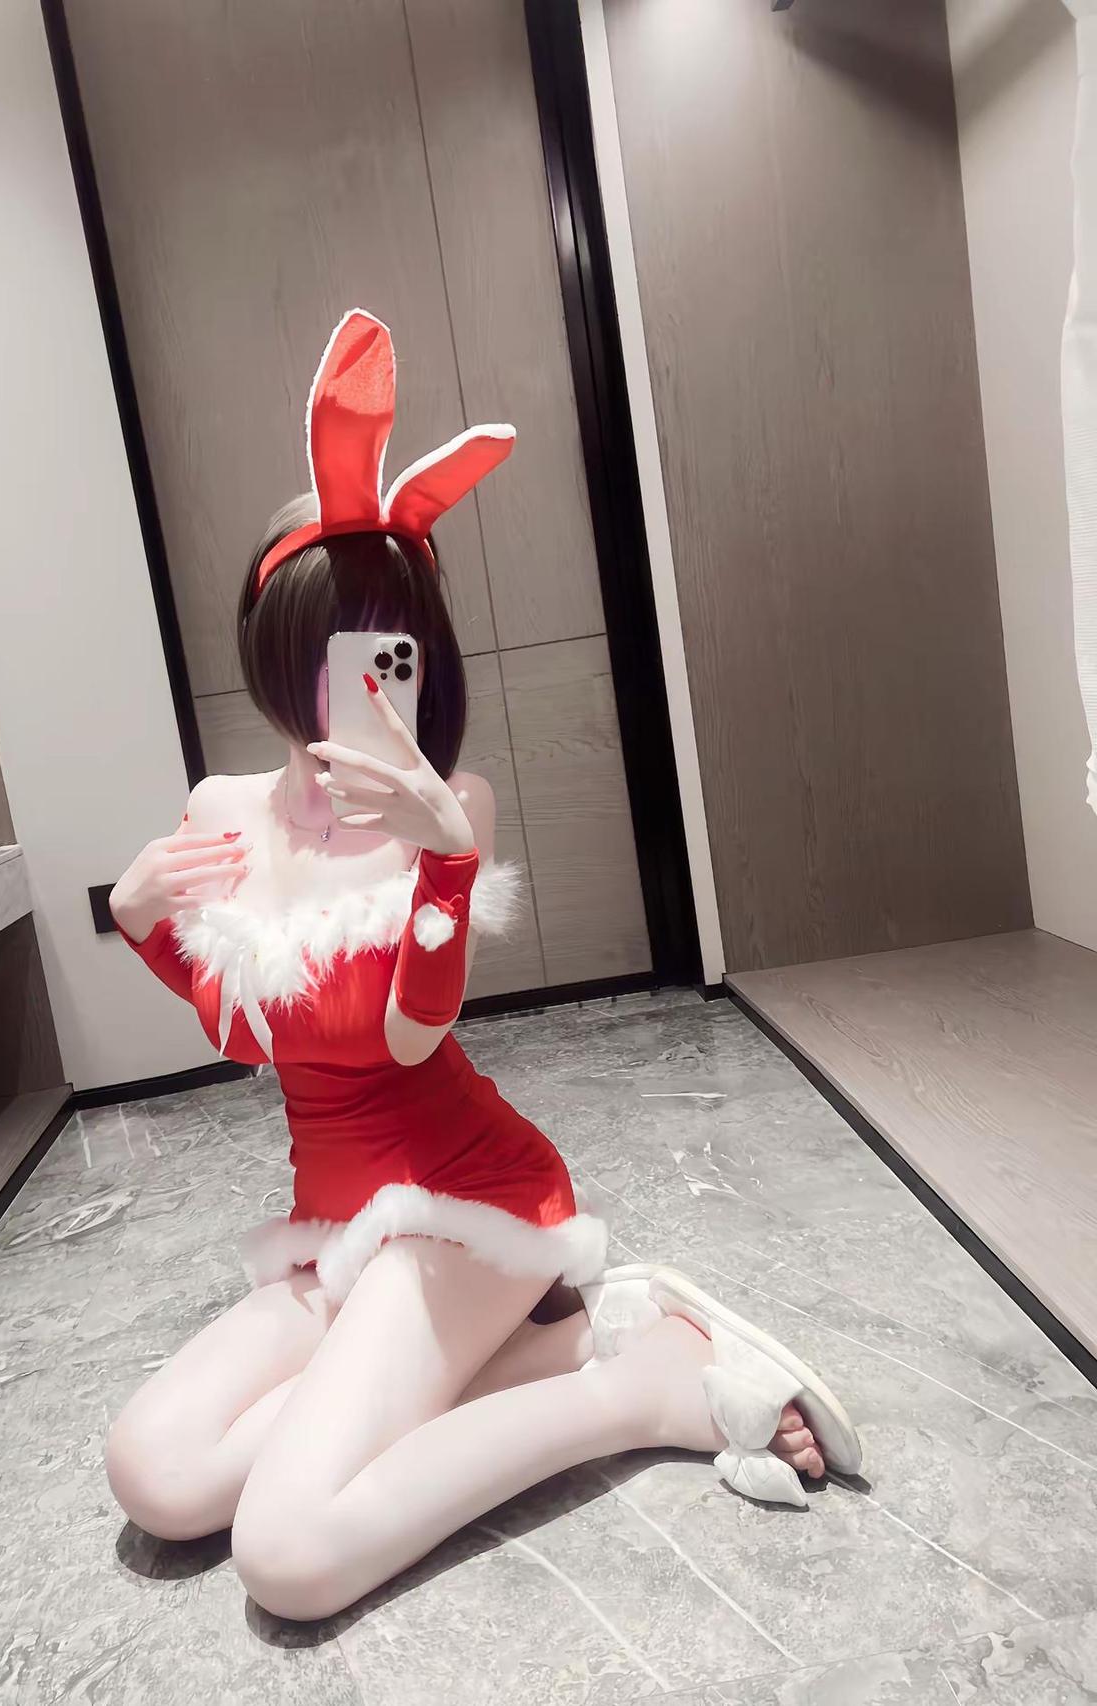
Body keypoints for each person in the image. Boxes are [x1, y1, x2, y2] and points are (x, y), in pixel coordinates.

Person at [104, 311, 862, 1622]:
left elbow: (411, 1034)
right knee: (156, 1473)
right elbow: (244, 1035)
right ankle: (555, 1344)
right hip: (334, 1233)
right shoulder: (220, 813)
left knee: (288, 1552)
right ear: (273, 646)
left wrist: (445, 863)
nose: (363, 681)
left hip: (469, 1204)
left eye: (389, 646)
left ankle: (647, 1385)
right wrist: (143, 920)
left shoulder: (451, 807)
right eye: (333, 646)